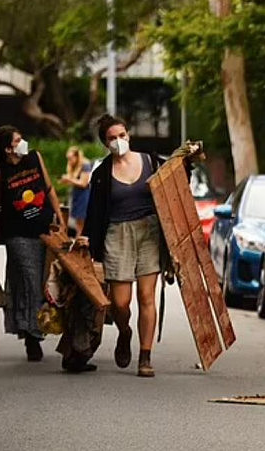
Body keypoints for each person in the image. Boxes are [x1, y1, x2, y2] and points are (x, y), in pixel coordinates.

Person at [83, 114, 165, 378]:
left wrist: (190, 160)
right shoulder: (102, 174)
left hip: (149, 231)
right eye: (112, 138)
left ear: (128, 135)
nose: (118, 141)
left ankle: (145, 356)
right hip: (117, 234)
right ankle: (124, 331)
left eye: (122, 135)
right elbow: (94, 211)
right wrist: (87, 239)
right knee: (120, 302)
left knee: (146, 297)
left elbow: (176, 181)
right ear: (105, 144)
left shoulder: (151, 161)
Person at [0, 125, 66, 361]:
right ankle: (33, 335)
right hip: (17, 235)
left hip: (45, 229)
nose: (23, 142)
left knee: (45, 279)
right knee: (30, 280)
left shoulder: (35, 158)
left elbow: (48, 189)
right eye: (18, 140)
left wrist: (59, 215)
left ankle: (32, 327)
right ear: (8, 148)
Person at [60, 146, 91, 235]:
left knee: (82, 222)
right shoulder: (74, 166)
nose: (69, 161)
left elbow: (83, 183)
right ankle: (78, 242)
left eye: (70, 158)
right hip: (76, 195)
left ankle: (80, 243)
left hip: (84, 195)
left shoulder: (85, 165)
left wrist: (69, 179)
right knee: (78, 223)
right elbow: (75, 181)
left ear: (76, 156)